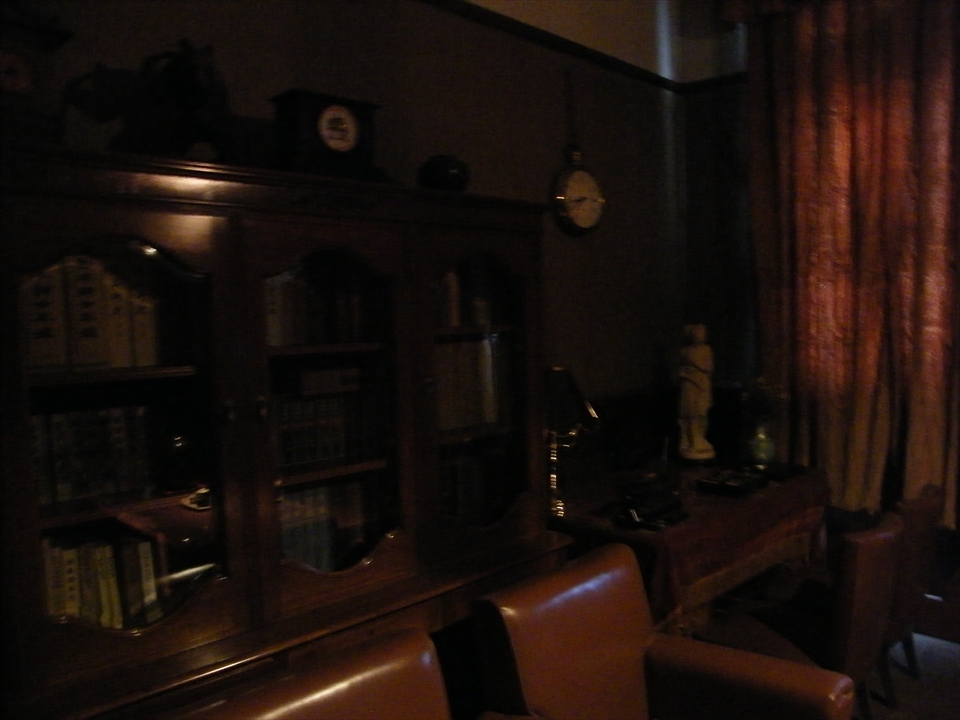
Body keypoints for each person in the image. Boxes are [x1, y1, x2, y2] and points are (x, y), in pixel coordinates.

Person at [677, 324, 715, 461]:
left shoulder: (706, 349)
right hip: (689, 386)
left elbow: (708, 367)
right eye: (698, 332)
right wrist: (688, 372)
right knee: (690, 413)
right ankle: (692, 441)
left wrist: (694, 366)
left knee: (702, 413)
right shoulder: (684, 351)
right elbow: (680, 370)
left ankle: (700, 438)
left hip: (702, 385)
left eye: (703, 332)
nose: (701, 335)